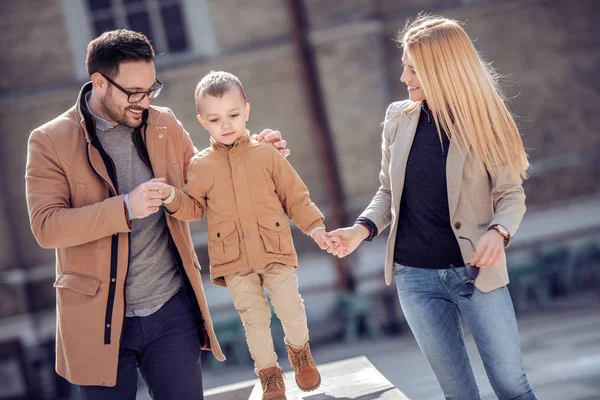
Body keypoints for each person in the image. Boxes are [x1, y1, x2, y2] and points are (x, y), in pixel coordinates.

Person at [25, 30, 289, 400]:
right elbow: (46, 227)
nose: (144, 101)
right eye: (134, 93)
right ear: (99, 83)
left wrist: (253, 153)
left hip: (171, 311)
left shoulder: (163, 123)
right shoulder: (50, 141)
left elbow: (206, 184)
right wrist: (126, 208)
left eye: (151, 89)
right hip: (97, 322)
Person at [327, 16, 537, 400]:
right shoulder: (398, 118)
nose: (404, 76)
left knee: (512, 386)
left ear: (442, 69)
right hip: (415, 277)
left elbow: (511, 195)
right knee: (458, 395)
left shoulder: (487, 121)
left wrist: (498, 231)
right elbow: (388, 192)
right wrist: (361, 230)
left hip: (476, 273)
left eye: (413, 68)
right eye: (405, 65)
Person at [157, 70, 330, 400]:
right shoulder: (201, 165)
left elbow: (295, 196)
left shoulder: (266, 154)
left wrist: (315, 227)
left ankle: (300, 352)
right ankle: (270, 376)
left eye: (233, 115)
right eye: (215, 119)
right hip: (233, 260)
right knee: (255, 321)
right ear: (202, 121)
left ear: (246, 111)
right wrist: (170, 197)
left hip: (274, 248)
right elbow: (193, 207)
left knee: (291, 308)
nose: (226, 124)